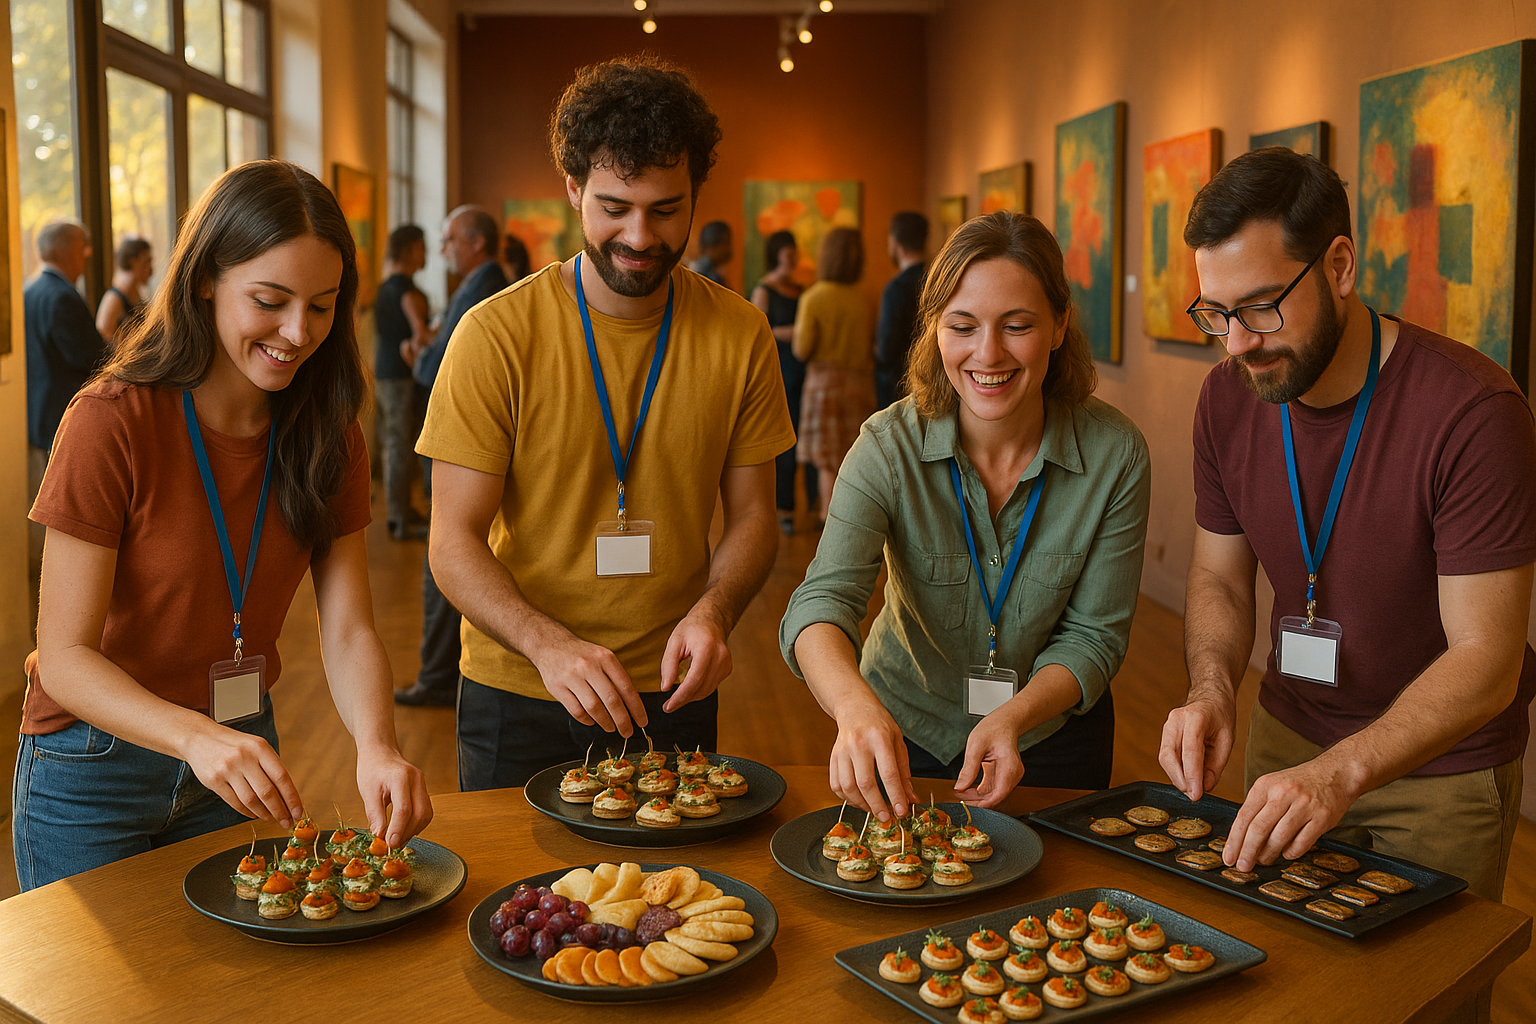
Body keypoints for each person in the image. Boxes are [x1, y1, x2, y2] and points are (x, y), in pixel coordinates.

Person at [16, 160, 432, 891]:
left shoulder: (328, 431)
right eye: (269, 301)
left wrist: (377, 746)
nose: (298, 333)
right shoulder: (111, 422)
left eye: (324, 305)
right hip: (93, 767)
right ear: (205, 277)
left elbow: (347, 628)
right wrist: (193, 736)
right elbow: (63, 655)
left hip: (235, 749)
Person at [1159, 148, 1535, 910]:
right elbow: (1218, 577)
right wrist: (1210, 690)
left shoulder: (1473, 412)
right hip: (1286, 742)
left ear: (1338, 266)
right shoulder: (1227, 399)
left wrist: (1342, 770)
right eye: (1215, 314)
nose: (1236, 342)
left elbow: (1487, 660)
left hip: (1440, 775)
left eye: (1262, 307)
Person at [418, 56, 794, 789]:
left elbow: (755, 518)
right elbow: (451, 542)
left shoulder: (741, 334)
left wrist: (715, 614)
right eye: (614, 206)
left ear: (695, 198)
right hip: (519, 686)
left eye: (665, 209)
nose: (640, 236)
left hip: (673, 685)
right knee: (517, 903)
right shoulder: (494, 334)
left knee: (668, 901)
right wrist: (548, 644)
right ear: (572, 190)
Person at [781, 211, 1150, 819]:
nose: (988, 353)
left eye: (1018, 325)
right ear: (934, 330)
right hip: (905, 733)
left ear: (1059, 325)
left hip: (1050, 736)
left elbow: (1094, 637)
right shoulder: (886, 446)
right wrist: (855, 707)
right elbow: (821, 603)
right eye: (963, 325)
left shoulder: (1116, 454)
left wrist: (1014, 715)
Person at [394, 205, 510, 707]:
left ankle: (437, 674)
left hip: (462, 447)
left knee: (449, 552)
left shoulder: (482, 290)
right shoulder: (479, 284)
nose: (442, 250)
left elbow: (440, 364)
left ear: (475, 242)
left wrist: (418, 356)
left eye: (449, 240)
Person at [25, 220, 107, 626]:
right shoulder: (62, 297)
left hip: (38, 416)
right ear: (64, 249)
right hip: (65, 416)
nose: (87, 253)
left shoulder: (30, 290)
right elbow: (93, 359)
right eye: (82, 245)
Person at [794, 226, 874, 524]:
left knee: (827, 463)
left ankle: (831, 522)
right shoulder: (864, 297)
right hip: (859, 383)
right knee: (853, 457)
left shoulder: (814, 297)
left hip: (824, 384)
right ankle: (853, 521)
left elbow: (802, 349)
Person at [750, 229, 817, 534]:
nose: (793, 257)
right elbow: (758, 333)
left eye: (795, 252)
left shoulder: (803, 289)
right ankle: (785, 508)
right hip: (780, 370)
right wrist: (793, 332)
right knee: (786, 442)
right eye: (787, 253)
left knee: (810, 440)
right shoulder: (764, 288)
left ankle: (817, 504)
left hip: (807, 370)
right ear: (776, 253)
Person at [373, 224, 431, 541]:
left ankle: (401, 512)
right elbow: (420, 335)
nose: (427, 255)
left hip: (385, 373)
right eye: (422, 248)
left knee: (392, 444)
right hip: (400, 375)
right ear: (409, 249)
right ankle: (399, 518)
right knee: (399, 446)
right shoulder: (405, 289)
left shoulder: (386, 286)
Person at [875, 211, 927, 409]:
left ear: (896, 243)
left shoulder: (896, 288)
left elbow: (886, 348)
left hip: (897, 384)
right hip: (931, 377)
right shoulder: (936, 281)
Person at [96, 236, 153, 344]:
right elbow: (103, 343)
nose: (151, 269)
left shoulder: (135, 294)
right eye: (147, 261)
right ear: (133, 262)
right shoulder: (113, 299)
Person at [688, 219, 732, 288]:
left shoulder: (713, 271)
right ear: (719, 244)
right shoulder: (708, 277)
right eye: (728, 242)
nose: (730, 248)